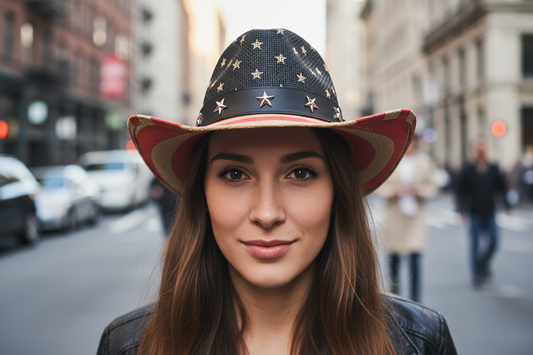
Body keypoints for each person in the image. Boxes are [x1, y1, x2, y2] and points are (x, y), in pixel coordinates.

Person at [97, 29, 456, 355]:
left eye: (300, 173)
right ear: (201, 195)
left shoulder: (420, 344)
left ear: (338, 193)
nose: (267, 214)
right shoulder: (128, 347)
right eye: (234, 174)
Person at [375, 135, 438, 302]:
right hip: (395, 216)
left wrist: (421, 191)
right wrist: (393, 191)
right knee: (393, 260)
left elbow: (433, 185)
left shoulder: (425, 162)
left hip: (415, 217)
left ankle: (416, 301)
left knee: (415, 259)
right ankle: (394, 298)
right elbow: (379, 185)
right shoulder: (391, 160)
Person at [456, 138, 509, 288]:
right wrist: (461, 210)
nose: (481, 152)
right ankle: (476, 274)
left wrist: (507, 205)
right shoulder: (468, 170)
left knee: (494, 241)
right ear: (474, 151)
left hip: (490, 211)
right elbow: (461, 191)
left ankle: (483, 263)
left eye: (483, 149)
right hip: (474, 212)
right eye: (478, 149)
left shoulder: (493, 168)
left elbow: (501, 188)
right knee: (475, 244)